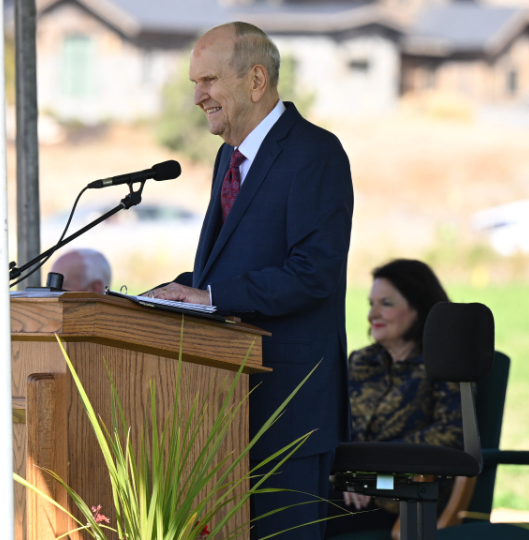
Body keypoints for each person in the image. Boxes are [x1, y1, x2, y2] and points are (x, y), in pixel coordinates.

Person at [146, 21, 353, 539]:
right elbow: (234, 265)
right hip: (225, 401)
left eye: (209, 80)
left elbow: (313, 273)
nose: (198, 96)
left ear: (256, 80)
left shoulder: (314, 153)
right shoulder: (228, 157)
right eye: (196, 83)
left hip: (288, 407)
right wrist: (174, 292)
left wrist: (210, 295)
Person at [325, 259, 463, 536]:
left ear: (420, 309)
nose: (372, 314)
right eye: (371, 304)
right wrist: (351, 476)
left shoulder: (446, 365)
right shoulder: (361, 360)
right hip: (349, 486)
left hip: (408, 497)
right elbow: (336, 426)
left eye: (385, 304)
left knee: (299, 515)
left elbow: (451, 435)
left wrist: (372, 471)